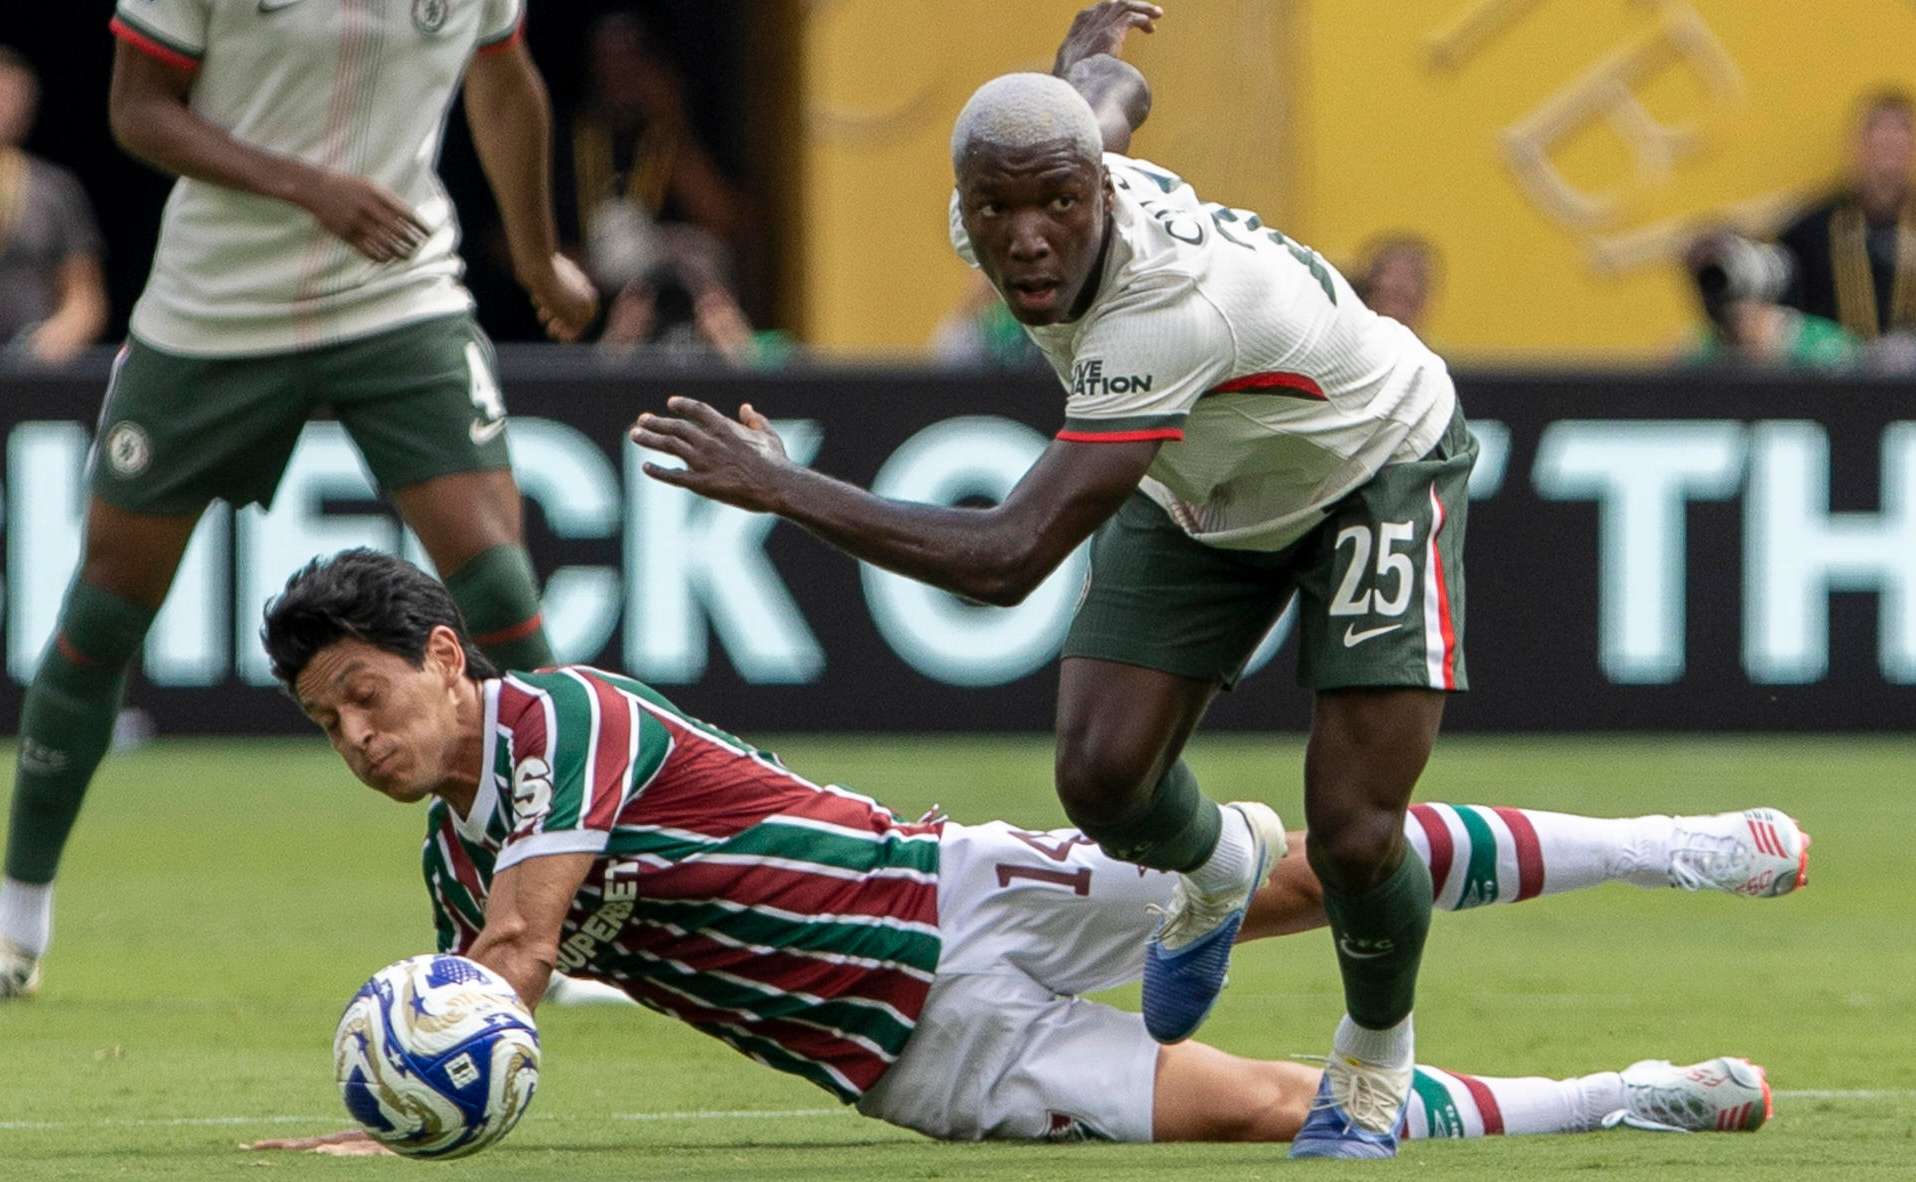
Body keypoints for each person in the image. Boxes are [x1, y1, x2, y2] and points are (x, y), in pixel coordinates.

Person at [632, 1, 1468, 1156]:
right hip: (1208, 473)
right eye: (994, 207)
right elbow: (1099, 95)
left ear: (1102, 195)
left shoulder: (1161, 310)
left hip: (1370, 459)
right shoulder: (1047, 174)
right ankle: (1218, 860)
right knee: (1101, 779)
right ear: (964, 196)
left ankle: (1374, 1065)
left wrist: (786, 487)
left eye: (1055, 204)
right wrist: (1096, 43)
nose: (1022, 237)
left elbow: (1008, 558)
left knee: (1353, 832)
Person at [251, 549, 1797, 1155]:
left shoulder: (562, 722)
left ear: (448, 660)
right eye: (328, 724)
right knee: (1277, 1110)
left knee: (1332, 859)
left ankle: (1682, 847)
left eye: (366, 696)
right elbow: (488, 987)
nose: (359, 739)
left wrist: (406, 1083)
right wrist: (394, 1125)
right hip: (920, 1062)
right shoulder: (454, 882)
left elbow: (512, 963)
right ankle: (1633, 1100)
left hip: (960, 891)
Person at [0, 0, 600, 1002]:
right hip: (214, 308)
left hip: (398, 295)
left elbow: (505, 79)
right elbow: (138, 110)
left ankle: (559, 917)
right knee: (107, 607)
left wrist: (538, 255)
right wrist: (308, 188)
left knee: (498, 584)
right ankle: (18, 912)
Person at [1778, 90, 1916, 343]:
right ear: (1857, 144)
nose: (1889, 144)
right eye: (1878, 134)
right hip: (1829, 377)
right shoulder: (1808, 231)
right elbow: (1785, 322)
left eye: (1901, 134)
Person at [0, 46, 108, 363]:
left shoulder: (54, 188)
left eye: (17, 97)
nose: (8, 107)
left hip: (28, 369)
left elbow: (85, 294)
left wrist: (64, 332)